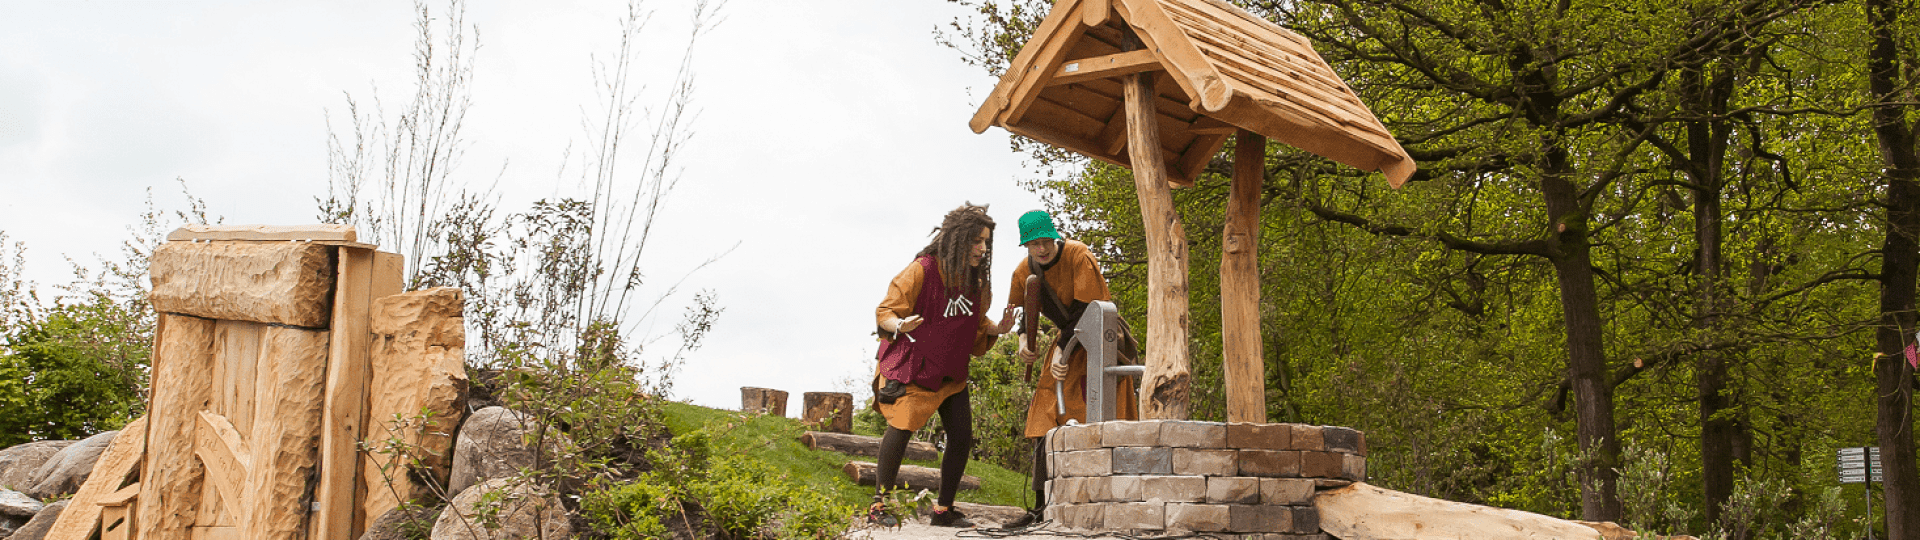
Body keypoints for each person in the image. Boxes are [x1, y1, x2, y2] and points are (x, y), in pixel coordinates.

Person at [869, 203, 1012, 528]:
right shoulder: (923, 269)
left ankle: (943, 511)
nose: (982, 248)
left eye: (986, 241)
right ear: (958, 239)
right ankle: (879, 506)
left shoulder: (976, 280)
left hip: (950, 373)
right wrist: (899, 325)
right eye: (976, 240)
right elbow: (886, 310)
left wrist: (997, 328)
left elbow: (973, 322)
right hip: (916, 369)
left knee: (961, 437)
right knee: (902, 427)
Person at [1002, 209, 1138, 528]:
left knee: (1105, 416)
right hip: (1065, 344)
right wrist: (1024, 341)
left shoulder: (1078, 255)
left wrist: (1064, 349)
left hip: (1100, 340)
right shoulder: (1026, 269)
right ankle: (1039, 507)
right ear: (1026, 246)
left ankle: (1119, 501)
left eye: (1046, 240)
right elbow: (1026, 313)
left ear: (1054, 236)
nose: (1042, 248)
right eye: (1034, 244)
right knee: (1044, 417)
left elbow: (1087, 309)